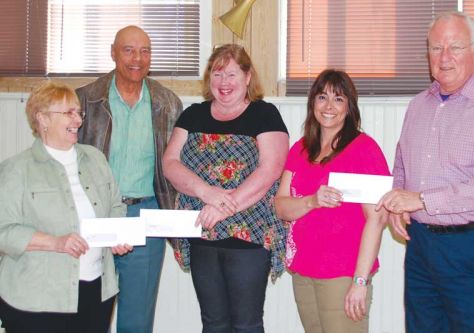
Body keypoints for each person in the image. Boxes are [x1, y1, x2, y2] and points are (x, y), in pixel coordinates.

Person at [376, 11, 474, 333]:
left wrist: (420, 199)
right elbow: (402, 164)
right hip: (421, 249)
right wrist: (396, 203)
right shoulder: (418, 104)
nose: (444, 57)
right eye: (435, 48)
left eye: (455, 47)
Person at [163, 43, 289, 333]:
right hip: (201, 231)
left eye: (231, 74)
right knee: (214, 323)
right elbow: (170, 163)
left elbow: (270, 170)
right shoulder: (192, 115)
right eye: (217, 74)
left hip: (250, 234)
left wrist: (223, 206)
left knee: (246, 324)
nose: (224, 83)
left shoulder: (265, 114)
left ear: (247, 77)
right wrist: (207, 193)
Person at [76, 25, 183, 333]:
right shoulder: (85, 100)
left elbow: (178, 166)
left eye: (145, 51)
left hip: (145, 217)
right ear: (113, 53)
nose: (137, 58)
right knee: (89, 313)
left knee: (137, 318)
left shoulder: (169, 103)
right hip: (95, 215)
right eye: (128, 50)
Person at [0, 82, 131, 333]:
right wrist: (55, 242)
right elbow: (3, 230)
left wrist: (117, 235)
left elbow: (115, 205)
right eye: (68, 113)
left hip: (96, 291)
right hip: (37, 298)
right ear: (42, 119)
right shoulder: (16, 170)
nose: (78, 120)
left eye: (78, 112)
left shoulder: (95, 158)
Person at [275, 69, 389, 333]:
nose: (328, 106)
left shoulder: (364, 149)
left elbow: (378, 218)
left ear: (349, 107)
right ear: (312, 102)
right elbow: (281, 206)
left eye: (338, 99)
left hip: (343, 275)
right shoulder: (300, 148)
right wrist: (312, 201)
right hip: (303, 271)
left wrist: (360, 282)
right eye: (322, 97)